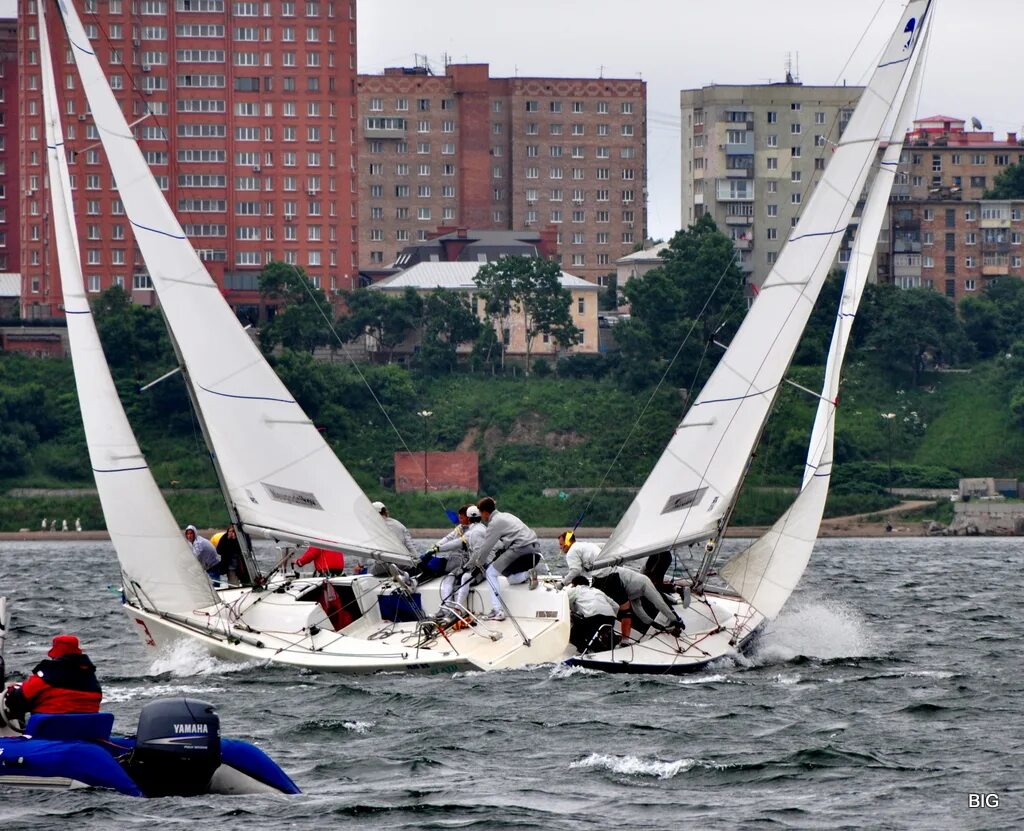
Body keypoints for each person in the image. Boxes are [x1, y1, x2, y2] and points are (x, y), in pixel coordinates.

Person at [466, 497, 543, 621]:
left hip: (521, 549)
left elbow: (486, 547)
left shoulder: (494, 523)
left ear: (485, 512)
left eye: (481, 513)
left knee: (490, 573)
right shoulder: (506, 515)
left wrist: (478, 564)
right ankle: (528, 575)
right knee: (510, 578)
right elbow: (504, 541)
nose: (481, 516)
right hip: (535, 551)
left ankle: (497, 611)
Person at [1, 635, 102, 726]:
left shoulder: (49, 673)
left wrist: (12, 692)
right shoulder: (90, 676)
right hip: (86, 730)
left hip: (51, 730)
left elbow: (20, 698)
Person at [423, 505, 487, 617]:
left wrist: (437, 549)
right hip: (466, 563)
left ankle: (457, 610)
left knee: (464, 578)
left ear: (468, 518)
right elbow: (448, 539)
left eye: (462, 518)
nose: (460, 520)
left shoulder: (474, 531)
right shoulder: (467, 529)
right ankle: (447, 610)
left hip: (476, 564)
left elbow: (458, 543)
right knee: (448, 579)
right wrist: (434, 548)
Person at [594, 566, 684, 641]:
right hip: (620, 582)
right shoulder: (641, 585)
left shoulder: (636, 590)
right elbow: (650, 608)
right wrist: (671, 621)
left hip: (635, 581)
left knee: (658, 602)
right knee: (633, 610)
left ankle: (675, 619)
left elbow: (652, 607)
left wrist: (672, 621)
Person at [369, 501, 419, 584]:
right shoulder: (400, 525)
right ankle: (402, 573)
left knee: (370, 572)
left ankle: (395, 572)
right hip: (402, 562)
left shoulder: (373, 527)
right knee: (405, 566)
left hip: (383, 565)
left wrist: (360, 565)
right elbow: (411, 546)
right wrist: (418, 561)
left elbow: (367, 546)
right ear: (386, 512)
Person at [567, 576, 619, 653]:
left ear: (575, 584)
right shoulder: (597, 591)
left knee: (573, 635)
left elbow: (565, 602)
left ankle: (588, 650)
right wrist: (613, 616)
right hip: (610, 618)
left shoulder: (575, 590)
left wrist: (573, 610)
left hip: (593, 619)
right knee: (597, 630)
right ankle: (610, 639)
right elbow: (616, 606)